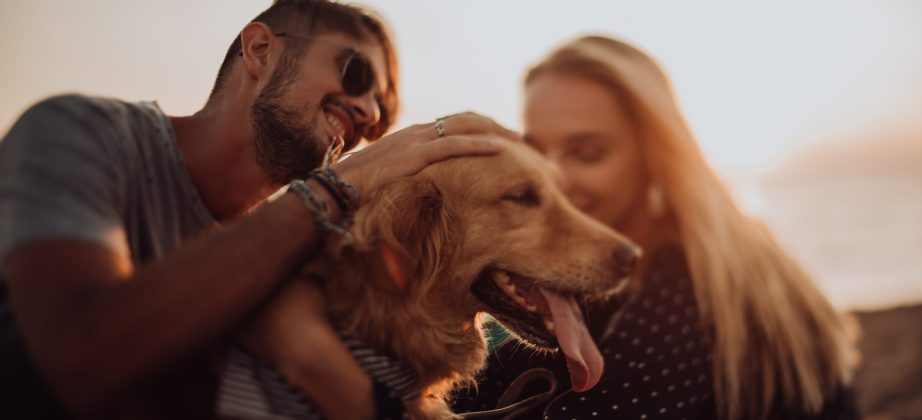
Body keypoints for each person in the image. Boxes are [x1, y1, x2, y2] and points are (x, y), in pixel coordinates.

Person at [0, 1, 514, 419]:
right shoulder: (80, 133)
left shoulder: (297, 251)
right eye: (356, 74)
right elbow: (82, 357)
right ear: (261, 48)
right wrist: (338, 187)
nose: (369, 115)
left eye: (381, 120)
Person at [453, 35, 859, 419]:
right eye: (536, 154)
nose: (552, 179)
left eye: (588, 153)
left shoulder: (689, 300)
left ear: (656, 156)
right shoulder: (617, 276)